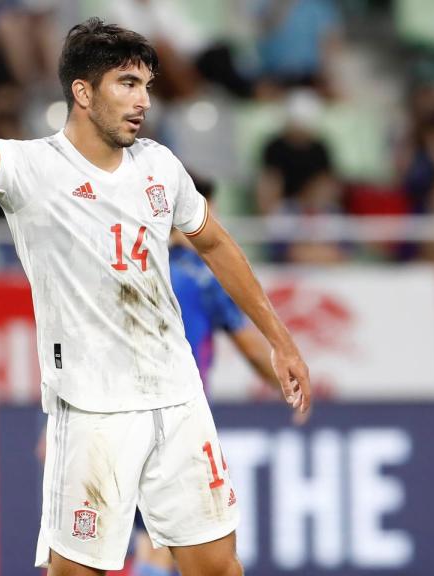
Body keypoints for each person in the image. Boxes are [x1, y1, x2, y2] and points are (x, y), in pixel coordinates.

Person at [0, 4, 311, 575]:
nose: (144, 100)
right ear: (83, 93)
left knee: (218, 566)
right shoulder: (33, 169)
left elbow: (216, 244)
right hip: (92, 408)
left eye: (146, 85)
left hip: (176, 395)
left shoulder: (160, 166)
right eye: (128, 83)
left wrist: (280, 339)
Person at [131, 175, 285, 576]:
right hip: (178, 421)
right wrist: (287, 384)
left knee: (148, 538)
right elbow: (251, 348)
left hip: (121, 415)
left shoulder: (132, 265)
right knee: (182, 540)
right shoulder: (202, 277)